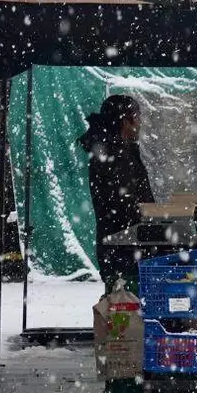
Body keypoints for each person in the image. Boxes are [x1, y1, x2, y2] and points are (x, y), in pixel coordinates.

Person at [78, 95, 154, 289]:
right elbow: (125, 207)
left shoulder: (119, 151)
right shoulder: (115, 156)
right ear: (124, 121)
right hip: (124, 253)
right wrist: (153, 226)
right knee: (127, 310)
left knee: (125, 310)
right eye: (137, 118)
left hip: (122, 250)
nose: (140, 123)